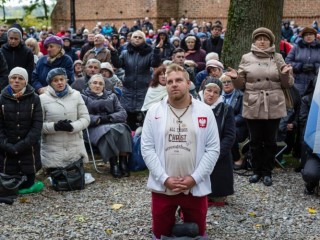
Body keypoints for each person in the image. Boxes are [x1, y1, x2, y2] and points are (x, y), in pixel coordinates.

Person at [141, 64, 220, 239]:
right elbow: (147, 148)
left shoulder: (205, 111)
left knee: (197, 233)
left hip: (195, 186)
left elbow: (213, 149)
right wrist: (164, 178)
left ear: (189, 83)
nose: (174, 84)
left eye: (178, 80)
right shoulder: (154, 111)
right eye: (169, 81)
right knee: (160, 233)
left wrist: (195, 178)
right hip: (163, 187)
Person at [226, 27, 294, 186]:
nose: (262, 41)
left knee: (270, 140)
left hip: (273, 102)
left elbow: (288, 84)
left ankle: (267, 171)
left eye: (265, 38)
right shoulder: (246, 57)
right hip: (253, 101)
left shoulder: (277, 57)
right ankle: (256, 170)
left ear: (271, 41)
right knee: (255, 140)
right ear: (254, 41)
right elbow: (240, 84)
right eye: (259, 38)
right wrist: (236, 78)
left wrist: (285, 74)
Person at [0, 67, 44, 194]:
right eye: (13, 78)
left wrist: (21, 145)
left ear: (26, 81)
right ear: (9, 80)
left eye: (20, 78)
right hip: (6, 151)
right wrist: (7, 145)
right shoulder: (1, 99)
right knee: (7, 183)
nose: (16, 81)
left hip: (28, 150)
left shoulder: (34, 99)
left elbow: (37, 126)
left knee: (26, 183)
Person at [109, 30, 161, 130]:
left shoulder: (149, 52)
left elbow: (155, 63)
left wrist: (157, 50)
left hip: (143, 89)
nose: (137, 39)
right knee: (129, 120)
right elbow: (118, 64)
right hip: (128, 89)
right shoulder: (125, 53)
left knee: (144, 121)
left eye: (140, 37)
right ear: (131, 38)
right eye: (135, 37)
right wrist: (113, 52)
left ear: (144, 40)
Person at [81, 74, 132, 178]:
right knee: (108, 131)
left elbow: (122, 112)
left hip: (111, 123)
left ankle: (123, 162)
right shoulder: (83, 97)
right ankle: (113, 164)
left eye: (100, 83)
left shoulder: (112, 96)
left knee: (124, 128)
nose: (97, 85)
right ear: (89, 85)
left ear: (104, 86)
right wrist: (97, 119)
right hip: (93, 128)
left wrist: (109, 118)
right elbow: (82, 115)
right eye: (95, 83)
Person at [40, 68, 90, 171]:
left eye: (62, 79)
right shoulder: (42, 99)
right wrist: (54, 127)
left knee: (75, 181)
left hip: (75, 149)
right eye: (55, 80)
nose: (59, 82)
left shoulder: (76, 95)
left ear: (66, 80)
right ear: (50, 83)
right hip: (52, 152)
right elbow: (37, 125)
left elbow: (85, 118)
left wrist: (72, 126)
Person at [201, 77, 236, 206]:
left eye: (216, 92)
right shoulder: (194, 107)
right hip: (197, 151)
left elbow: (230, 136)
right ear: (203, 90)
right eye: (209, 90)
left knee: (217, 197)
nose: (211, 94)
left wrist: (215, 153)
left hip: (219, 153)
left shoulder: (226, 109)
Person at [220, 73, 248, 169]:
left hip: (238, 126)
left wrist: (228, 122)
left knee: (231, 132)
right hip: (220, 125)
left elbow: (242, 115)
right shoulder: (218, 95)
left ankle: (237, 158)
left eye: (229, 82)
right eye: (224, 82)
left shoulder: (241, 95)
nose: (226, 84)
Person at [285, 27, 320, 96]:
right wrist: (300, 66)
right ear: (303, 37)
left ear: (315, 36)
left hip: (315, 84)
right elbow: (287, 61)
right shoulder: (296, 47)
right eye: (306, 35)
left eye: (310, 34)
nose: (308, 36)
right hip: (297, 82)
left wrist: (315, 67)